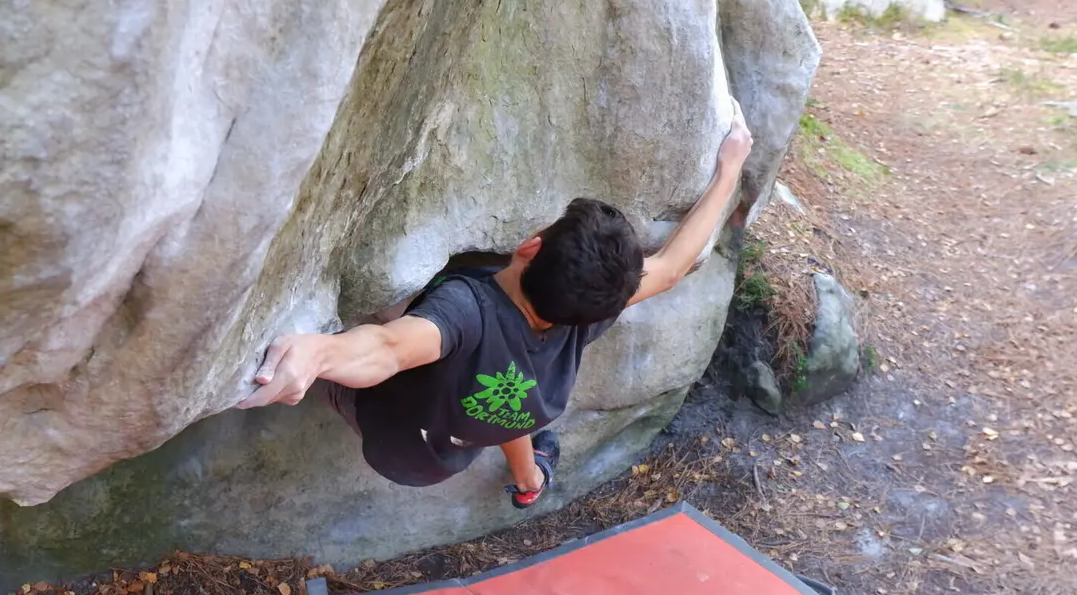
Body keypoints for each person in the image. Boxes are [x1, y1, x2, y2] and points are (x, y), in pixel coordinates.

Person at [239, 102, 754, 507]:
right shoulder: (587, 319)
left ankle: (525, 467)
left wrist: (318, 355)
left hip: (392, 441)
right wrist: (728, 172)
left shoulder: (465, 307)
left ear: (530, 245)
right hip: (450, 451)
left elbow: (390, 347)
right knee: (517, 401)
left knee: (393, 307)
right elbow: (669, 268)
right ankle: (530, 478)